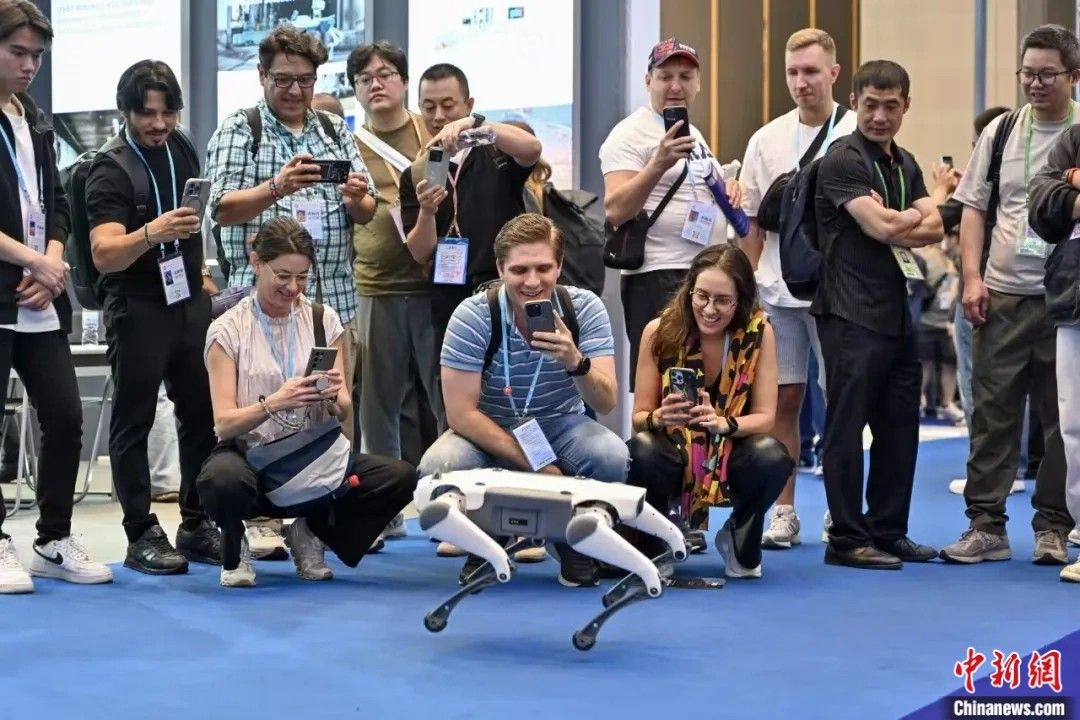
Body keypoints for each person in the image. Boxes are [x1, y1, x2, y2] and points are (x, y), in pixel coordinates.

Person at [206, 24, 377, 554]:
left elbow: (368, 209)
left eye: (305, 80)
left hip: (333, 305)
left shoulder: (333, 129)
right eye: (283, 79)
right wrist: (277, 186)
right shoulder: (242, 128)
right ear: (261, 75)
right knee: (262, 412)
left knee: (333, 409)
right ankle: (260, 519)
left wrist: (355, 196)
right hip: (260, 308)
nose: (295, 90)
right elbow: (220, 207)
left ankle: (322, 519)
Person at [197, 216, 416, 588]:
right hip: (252, 455)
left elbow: (343, 408)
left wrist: (331, 398)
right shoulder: (227, 329)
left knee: (400, 477)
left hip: (313, 452)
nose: (293, 287)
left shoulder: (322, 319)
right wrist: (274, 403)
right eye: (283, 275)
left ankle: (311, 532)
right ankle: (234, 545)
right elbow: (224, 424)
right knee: (221, 480)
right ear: (256, 263)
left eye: (302, 277)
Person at [417, 213, 627, 587]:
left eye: (543, 268)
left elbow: (606, 401)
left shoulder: (585, 309)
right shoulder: (473, 315)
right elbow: (462, 415)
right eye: (519, 270)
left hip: (559, 421)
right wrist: (539, 465)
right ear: (501, 269)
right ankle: (487, 539)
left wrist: (576, 362)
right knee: (441, 466)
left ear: (559, 266)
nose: (532, 282)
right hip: (489, 425)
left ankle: (571, 541)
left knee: (611, 456)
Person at [940, 25, 1076, 566]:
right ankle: (986, 526)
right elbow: (973, 209)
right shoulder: (1001, 131)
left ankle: (1054, 527)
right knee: (992, 415)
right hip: (1002, 294)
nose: (1035, 84)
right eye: (1027, 73)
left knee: (1062, 421)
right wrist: (972, 278)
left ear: (1074, 76)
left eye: (1047, 75)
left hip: (1067, 299)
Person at [86, 59, 222, 575]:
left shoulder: (180, 146)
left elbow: (192, 219)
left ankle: (196, 522)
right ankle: (139, 531)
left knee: (201, 415)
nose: (159, 124)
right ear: (126, 112)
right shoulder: (110, 168)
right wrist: (150, 233)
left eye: (168, 113)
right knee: (135, 419)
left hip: (186, 300)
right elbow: (104, 254)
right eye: (147, 114)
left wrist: (201, 273)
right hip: (137, 306)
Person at [812, 60, 943, 569]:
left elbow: (935, 227)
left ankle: (888, 530)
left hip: (896, 312)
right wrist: (910, 217)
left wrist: (899, 217)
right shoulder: (843, 159)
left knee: (899, 427)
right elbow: (886, 228)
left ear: (906, 106)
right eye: (870, 105)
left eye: (891, 106)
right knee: (846, 428)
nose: (880, 116)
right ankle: (846, 539)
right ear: (854, 103)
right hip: (848, 311)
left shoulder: (904, 162)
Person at [0, 0, 111, 593]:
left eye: (37, 56)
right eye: (17, 52)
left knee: (66, 418)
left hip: (41, 297)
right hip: (8, 289)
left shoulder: (36, 121)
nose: (29, 65)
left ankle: (53, 539)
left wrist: (52, 262)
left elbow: (59, 203)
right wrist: (32, 260)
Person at [739, 28, 857, 549]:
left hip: (838, 295)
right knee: (783, 401)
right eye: (792, 72)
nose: (801, 82)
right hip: (777, 292)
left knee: (840, 402)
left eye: (811, 71)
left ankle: (840, 509)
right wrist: (747, 289)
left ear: (834, 72)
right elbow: (750, 221)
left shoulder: (855, 131)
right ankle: (783, 510)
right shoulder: (766, 138)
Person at [627, 244, 791, 579]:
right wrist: (659, 417)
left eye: (723, 300)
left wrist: (723, 424)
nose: (709, 309)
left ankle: (739, 532)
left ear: (740, 300)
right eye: (701, 296)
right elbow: (639, 418)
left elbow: (765, 418)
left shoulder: (760, 334)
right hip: (674, 450)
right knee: (642, 450)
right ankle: (657, 534)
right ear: (689, 290)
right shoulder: (658, 331)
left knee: (772, 456)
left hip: (732, 449)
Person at [599, 38, 742, 390]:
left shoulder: (694, 134)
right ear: (648, 81)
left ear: (699, 83)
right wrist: (658, 163)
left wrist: (728, 186)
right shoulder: (628, 134)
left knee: (702, 387)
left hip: (702, 275)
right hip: (657, 276)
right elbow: (615, 209)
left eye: (685, 76)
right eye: (665, 77)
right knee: (663, 388)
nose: (675, 86)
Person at [398, 62, 542, 358]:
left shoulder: (496, 151)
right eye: (429, 107)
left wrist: (476, 125)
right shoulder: (417, 172)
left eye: (448, 105)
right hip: (449, 297)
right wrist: (427, 211)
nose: (439, 116)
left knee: (511, 371)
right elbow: (420, 252)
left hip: (505, 288)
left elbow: (532, 149)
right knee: (456, 378)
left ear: (469, 104)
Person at [346, 42, 440, 469]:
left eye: (385, 75)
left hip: (433, 283)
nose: (376, 85)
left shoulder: (432, 132)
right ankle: (384, 496)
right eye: (364, 79)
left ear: (404, 81)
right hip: (376, 285)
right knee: (377, 406)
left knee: (446, 396)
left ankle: (451, 485)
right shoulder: (349, 145)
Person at [1025, 112, 1080, 582]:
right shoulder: (1072, 140)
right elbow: (1040, 201)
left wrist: (1071, 182)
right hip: (1072, 300)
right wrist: (1072, 190)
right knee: (1074, 425)